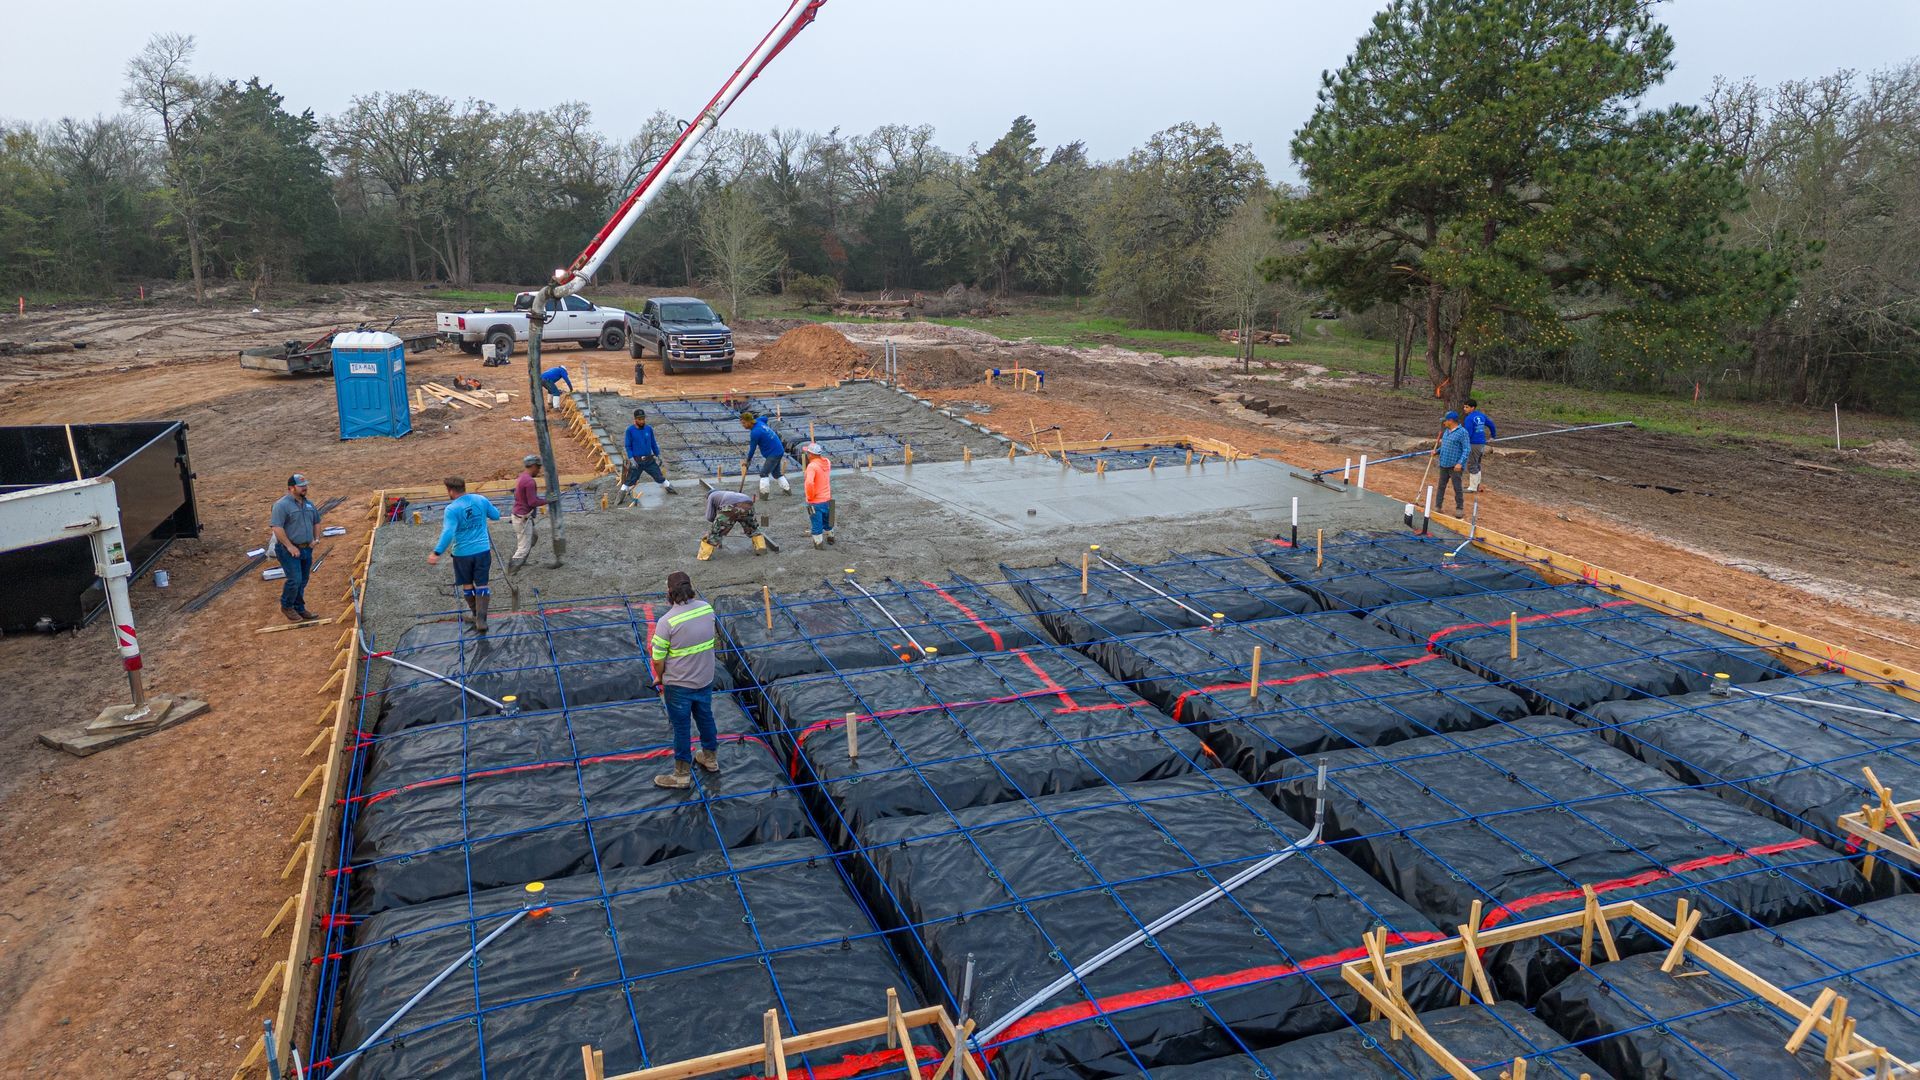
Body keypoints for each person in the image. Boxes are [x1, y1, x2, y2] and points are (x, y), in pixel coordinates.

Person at [650, 570, 720, 789]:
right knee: (705, 718)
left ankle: (681, 776)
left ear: (669, 593)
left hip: (679, 685)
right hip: (705, 679)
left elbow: (658, 659)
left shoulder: (667, 622)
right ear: (691, 587)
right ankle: (710, 758)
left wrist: (659, 677)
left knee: (681, 728)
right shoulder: (707, 609)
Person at [427, 476, 502, 633]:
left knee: (467, 583)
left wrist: (437, 552)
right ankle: (481, 619)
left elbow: (448, 532)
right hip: (482, 550)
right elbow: (496, 516)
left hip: (462, 554)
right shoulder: (480, 499)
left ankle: (475, 614)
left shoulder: (452, 509)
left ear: (451, 491)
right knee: (482, 583)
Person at [269, 473, 323, 622]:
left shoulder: (309, 504)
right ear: (291, 488)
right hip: (288, 550)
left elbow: (316, 522)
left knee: (303, 580)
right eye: (301, 486)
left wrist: (316, 539)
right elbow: (277, 527)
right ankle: (287, 606)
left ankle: (299, 608)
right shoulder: (281, 505)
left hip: (306, 548)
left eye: (305, 485)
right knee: (295, 579)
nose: (305, 488)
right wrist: (290, 546)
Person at [618, 408, 677, 504]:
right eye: (639, 419)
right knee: (630, 480)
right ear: (635, 419)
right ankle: (620, 496)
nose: (642, 421)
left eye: (643, 418)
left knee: (658, 476)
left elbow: (653, 443)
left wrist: (658, 455)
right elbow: (628, 446)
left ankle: (670, 488)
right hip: (637, 461)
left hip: (649, 459)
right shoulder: (630, 430)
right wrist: (631, 458)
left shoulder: (648, 429)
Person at [700, 487, 777, 560]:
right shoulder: (726, 493)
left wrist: (716, 527)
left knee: (715, 534)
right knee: (753, 529)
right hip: (748, 505)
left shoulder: (711, 496)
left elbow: (709, 517)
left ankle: (703, 556)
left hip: (730, 507)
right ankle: (761, 548)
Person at [740, 410, 791, 497]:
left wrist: (748, 460)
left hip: (774, 453)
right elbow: (765, 418)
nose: (743, 425)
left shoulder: (755, 433)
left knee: (763, 473)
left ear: (749, 421)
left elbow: (752, 449)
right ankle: (787, 490)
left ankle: (764, 494)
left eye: (744, 423)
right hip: (779, 449)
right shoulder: (759, 421)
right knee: (776, 474)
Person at [509, 454, 547, 570]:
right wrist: (548, 500)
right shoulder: (530, 482)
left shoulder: (522, 477)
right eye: (538, 467)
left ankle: (522, 561)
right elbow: (532, 502)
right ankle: (512, 569)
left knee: (533, 537)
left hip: (519, 515)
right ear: (533, 466)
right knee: (523, 547)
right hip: (522, 518)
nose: (539, 470)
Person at [1433, 412, 1471, 514]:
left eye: (1445, 420)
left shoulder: (1462, 432)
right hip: (1444, 464)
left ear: (1451, 421)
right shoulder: (1446, 431)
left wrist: (1460, 463)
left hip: (1455, 466)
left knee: (1457, 487)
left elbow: (1466, 449)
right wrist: (1436, 452)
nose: (1444, 422)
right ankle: (1438, 506)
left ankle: (1459, 508)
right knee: (1441, 486)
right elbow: (1445, 446)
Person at [801, 442, 834, 548]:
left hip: (815, 502)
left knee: (816, 523)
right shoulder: (827, 462)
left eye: (808, 453)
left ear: (810, 454)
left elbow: (809, 483)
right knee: (829, 520)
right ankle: (831, 537)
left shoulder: (812, 466)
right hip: (828, 499)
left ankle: (818, 543)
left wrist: (810, 497)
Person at [1462, 398, 1497, 493]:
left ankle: (1472, 487)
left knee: (1472, 464)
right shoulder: (1481, 415)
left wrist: (1463, 443)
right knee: (1477, 463)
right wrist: (1493, 436)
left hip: (1473, 443)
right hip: (1481, 443)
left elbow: (1468, 433)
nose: (1464, 409)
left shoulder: (1469, 419)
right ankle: (1476, 485)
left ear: (1472, 408)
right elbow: (1491, 425)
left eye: (1467, 407)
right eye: (1464, 407)